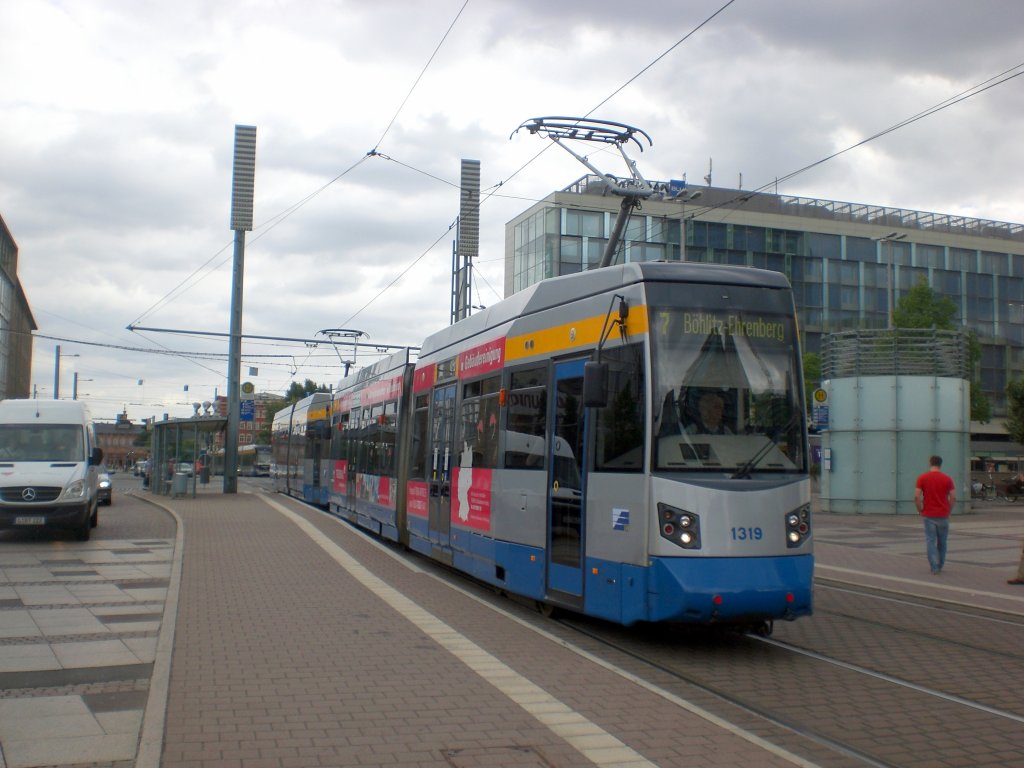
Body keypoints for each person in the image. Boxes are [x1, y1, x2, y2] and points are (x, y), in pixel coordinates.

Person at [914, 455, 956, 575]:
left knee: (930, 541)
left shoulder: (922, 478)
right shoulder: (947, 479)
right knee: (942, 542)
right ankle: (940, 564)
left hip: (928, 514)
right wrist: (949, 510)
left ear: (930, 463)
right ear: (940, 464)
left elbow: (917, 497)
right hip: (943, 514)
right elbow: (953, 497)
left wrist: (920, 510)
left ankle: (934, 566)